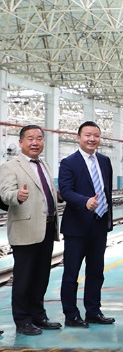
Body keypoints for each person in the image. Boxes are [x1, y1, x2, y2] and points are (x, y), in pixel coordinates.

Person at [0, 125, 61, 336]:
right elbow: (5, 193)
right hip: (25, 228)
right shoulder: (10, 166)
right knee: (24, 278)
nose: (35, 142)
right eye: (30, 138)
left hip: (47, 227)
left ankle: (38, 316)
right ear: (21, 142)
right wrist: (16, 195)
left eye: (39, 138)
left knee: (41, 276)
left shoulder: (44, 164)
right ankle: (22, 320)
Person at [58, 121, 115, 327]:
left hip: (99, 224)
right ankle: (71, 315)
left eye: (96, 136)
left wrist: (107, 215)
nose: (92, 139)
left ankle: (93, 311)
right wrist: (85, 202)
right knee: (71, 273)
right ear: (78, 137)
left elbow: (106, 190)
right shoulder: (68, 163)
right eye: (88, 135)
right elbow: (65, 191)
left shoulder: (105, 161)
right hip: (77, 227)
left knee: (96, 272)